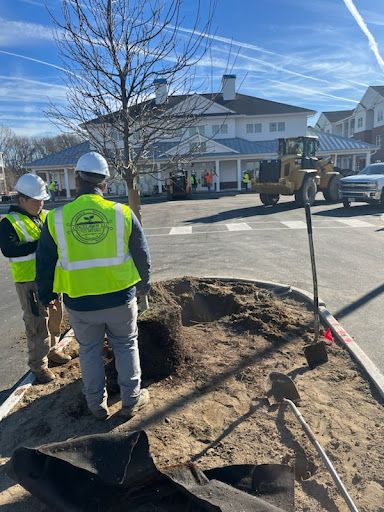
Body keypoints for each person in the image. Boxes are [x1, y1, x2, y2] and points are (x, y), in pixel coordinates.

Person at [36, 152, 151, 421]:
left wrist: (47, 295)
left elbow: (44, 262)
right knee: (125, 345)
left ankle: (96, 406)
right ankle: (131, 400)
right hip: (120, 299)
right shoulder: (122, 212)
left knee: (89, 351)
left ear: (77, 181)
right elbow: (142, 253)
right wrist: (144, 286)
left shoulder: (56, 218)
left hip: (80, 302)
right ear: (105, 184)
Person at [0, 174, 71, 384]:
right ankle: (38, 366)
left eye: (43, 199)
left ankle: (52, 350)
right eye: (37, 199)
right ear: (21, 199)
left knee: (55, 318)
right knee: (37, 323)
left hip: (53, 278)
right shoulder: (8, 223)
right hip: (29, 282)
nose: (41, 203)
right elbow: (11, 250)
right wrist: (44, 245)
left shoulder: (47, 216)